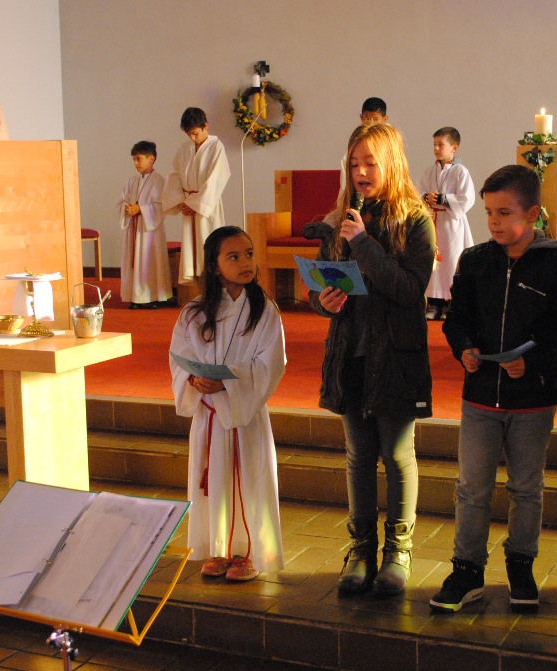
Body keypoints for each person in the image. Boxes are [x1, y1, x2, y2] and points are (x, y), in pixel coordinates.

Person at [430, 165, 557, 614]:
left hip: (532, 399)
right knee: (471, 488)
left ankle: (521, 565)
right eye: (489, 213)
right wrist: (464, 348)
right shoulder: (475, 260)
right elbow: (456, 320)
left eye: (504, 213)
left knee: (526, 488)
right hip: (480, 396)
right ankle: (467, 571)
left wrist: (532, 362)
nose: (494, 222)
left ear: (532, 214)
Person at [310, 123, 436, 597]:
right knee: (359, 455)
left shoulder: (415, 220)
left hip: (396, 357)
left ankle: (398, 551)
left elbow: (409, 290)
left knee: (397, 456)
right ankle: (360, 549)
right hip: (351, 354)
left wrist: (363, 242)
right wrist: (322, 300)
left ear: (392, 164)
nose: (360, 172)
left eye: (370, 163)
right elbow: (322, 285)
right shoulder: (340, 218)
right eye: (354, 163)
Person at [169, 225, 286, 582]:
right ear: (214, 265)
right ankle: (217, 549)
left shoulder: (264, 311)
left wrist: (229, 381)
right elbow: (180, 355)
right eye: (233, 257)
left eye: (248, 254)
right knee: (213, 483)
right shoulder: (194, 313)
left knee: (248, 479)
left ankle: (247, 552)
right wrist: (192, 379)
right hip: (209, 415)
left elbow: (271, 364)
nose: (244, 262)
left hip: (244, 415)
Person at [162, 107, 230, 286]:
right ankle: (199, 289)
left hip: (207, 207)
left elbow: (217, 178)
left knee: (208, 246)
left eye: (195, 133)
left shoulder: (216, 147)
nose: (192, 138)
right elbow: (175, 175)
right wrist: (180, 201)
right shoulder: (184, 149)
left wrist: (194, 203)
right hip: (188, 206)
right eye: (188, 134)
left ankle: (214, 285)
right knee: (192, 252)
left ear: (205, 126)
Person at [420, 127, 475, 320]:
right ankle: (434, 303)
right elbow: (419, 192)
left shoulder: (461, 172)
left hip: (452, 224)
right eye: (434, 144)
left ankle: (450, 304)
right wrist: (426, 197)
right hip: (433, 221)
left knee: (451, 261)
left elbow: (467, 198)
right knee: (433, 261)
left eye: (440, 145)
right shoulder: (430, 171)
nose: (436, 148)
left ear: (454, 148)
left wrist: (443, 199)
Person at [118, 140, 173, 309]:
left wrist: (141, 209)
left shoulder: (159, 181)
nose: (135, 163)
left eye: (139, 159)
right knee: (134, 261)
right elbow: (122, 200)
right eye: (134, 159)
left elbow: (162, 206)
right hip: (134, 228)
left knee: (149, 262)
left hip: (150, 232)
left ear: (152, 159)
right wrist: (127, 208)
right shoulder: (132, 181)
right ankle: (135, 297)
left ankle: (152, 296)